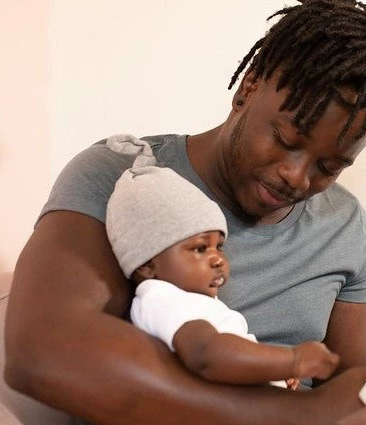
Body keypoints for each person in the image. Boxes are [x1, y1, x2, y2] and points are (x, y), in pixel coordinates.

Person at [4, 1, 366, 425]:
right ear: (248, 89)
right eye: (286, 139)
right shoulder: (124, 177)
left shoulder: (345, 225)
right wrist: (303, 417)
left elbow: (345, 382)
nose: (297, 178)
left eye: (329, 166)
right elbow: (42, 352)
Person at [105, 134, 338, 389]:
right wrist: (290, 360)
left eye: (219, 246)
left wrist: (271, 376)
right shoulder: (161, 300)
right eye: (200, 248)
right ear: (147, 264)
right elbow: (206, 354)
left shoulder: (191, 300)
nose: (217, 258)